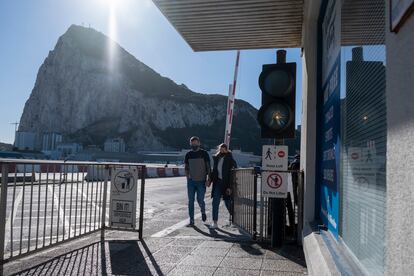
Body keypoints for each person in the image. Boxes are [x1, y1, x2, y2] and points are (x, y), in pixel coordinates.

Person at [184, 136, 211, 227]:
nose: (194, 145)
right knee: (190, 201)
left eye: (195, 143)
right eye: (192, 143)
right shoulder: (188, 154)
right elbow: (186, 167)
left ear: (199, 143)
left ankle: (203, 211)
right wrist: (187, 177)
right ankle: (191, 220)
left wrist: (208, 179)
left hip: (201, 181)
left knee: (200, 199)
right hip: (191, 182)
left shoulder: (204, 153)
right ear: (190, 144)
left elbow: (208, 167)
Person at [210, 143, 237, 229]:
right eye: (221, 148)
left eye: (224, 148)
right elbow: (214, 171)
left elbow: (233, 174)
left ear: (227, 149)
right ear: (219, 149)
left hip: (227, 184)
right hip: (217, 182)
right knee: (215, 202)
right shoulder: (216, 158)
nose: (222, 150)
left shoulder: (230, 159)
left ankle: (235, 220)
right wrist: (209, 180)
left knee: (228, 203)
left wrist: (230, 186)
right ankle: (215, 222)